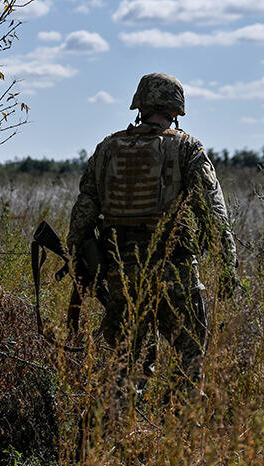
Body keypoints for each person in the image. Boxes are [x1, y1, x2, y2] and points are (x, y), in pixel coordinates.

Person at [67, 72, 240, 403]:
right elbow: (214, 211)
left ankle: (116, 437)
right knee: (189, 363)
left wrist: (82, 263)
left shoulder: (107, 149)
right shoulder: (187, 149)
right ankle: (177, 436)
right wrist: (227, 264)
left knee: (124, 369)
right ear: (176, 109)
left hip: (122, 277)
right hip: (176, 275)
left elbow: (82, 216)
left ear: (140, 106)